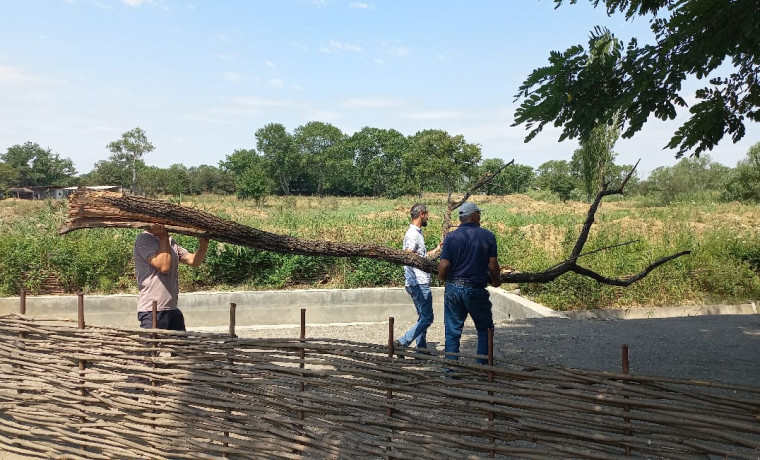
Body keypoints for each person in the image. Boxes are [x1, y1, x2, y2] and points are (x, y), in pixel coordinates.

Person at [437, 202, 501, 365]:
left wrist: (444, 280)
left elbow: (444, 265)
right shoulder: (488, 236)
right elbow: (493, 265)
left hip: (454, 288)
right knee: (485, 329)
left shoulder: (451, 238)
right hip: (476, 289)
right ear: (473, 216)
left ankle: (450, 370)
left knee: (452, 332)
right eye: (479, 213)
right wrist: (496, 281)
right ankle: (483, 367)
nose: (480, 216)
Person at [133, 223, 209, 330]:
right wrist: (163, 236)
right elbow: (164, 266)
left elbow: (193, 261)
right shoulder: (144, 239)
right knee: (153, 346)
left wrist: (203, 245)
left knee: (179, 345)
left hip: (171, 308)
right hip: (153, 310)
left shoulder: (170, 242)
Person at [395, 203, 442, 354]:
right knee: (428, 318)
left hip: (417, 282)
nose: (428, 217)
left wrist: (437, 249)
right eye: (427, 214)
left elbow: (420, 257)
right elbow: (408, 256)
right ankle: (403, 342)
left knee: (423, 316)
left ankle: (421, 349)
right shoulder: (413, 234)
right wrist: (414, 280)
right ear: (421, 214)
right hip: (418, 283)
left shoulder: (417, 233)